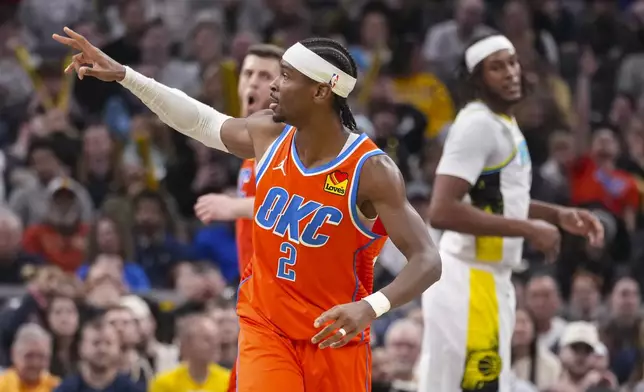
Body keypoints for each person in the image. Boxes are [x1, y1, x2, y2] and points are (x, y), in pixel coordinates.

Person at [54, 27, 442, 392]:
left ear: (322, 93)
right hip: (266, 324)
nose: (273, 84)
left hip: (335, 333)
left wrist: (370, 307)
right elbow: (202, 121)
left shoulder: (370, 170)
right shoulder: (269, 134)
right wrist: (126, 75)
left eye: (286, 76)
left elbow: (427, 259)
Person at [420, 34, 604, 392]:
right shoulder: (477, 125)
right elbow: (441, 210)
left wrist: (555, 215)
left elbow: (494, 199)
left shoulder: (503, 123)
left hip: (487, 280)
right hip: (467, 279)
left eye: (513, 62)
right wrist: (528, 229)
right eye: (496, 67)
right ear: (476, 79)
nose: (510, 72)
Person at [193, 44, 284, 279]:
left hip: (282, 290)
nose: (253, 82)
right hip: (254, 285)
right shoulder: (252, 143)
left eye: (264, 76)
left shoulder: (290, 140)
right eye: (248, 74)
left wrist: (232, 206)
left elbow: (296, 204)